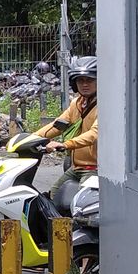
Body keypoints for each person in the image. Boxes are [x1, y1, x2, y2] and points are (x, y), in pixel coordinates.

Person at [35, 56, 98, 204]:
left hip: (94, 169)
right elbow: (58, 125)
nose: (84, 84)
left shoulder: (105, 105)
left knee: (81, 205)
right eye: (80, 80)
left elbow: (94, 134)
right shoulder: (77, 103)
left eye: (89, 80)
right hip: (76, 167)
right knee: (52, 197)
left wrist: (65, 144)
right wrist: (31, 138)